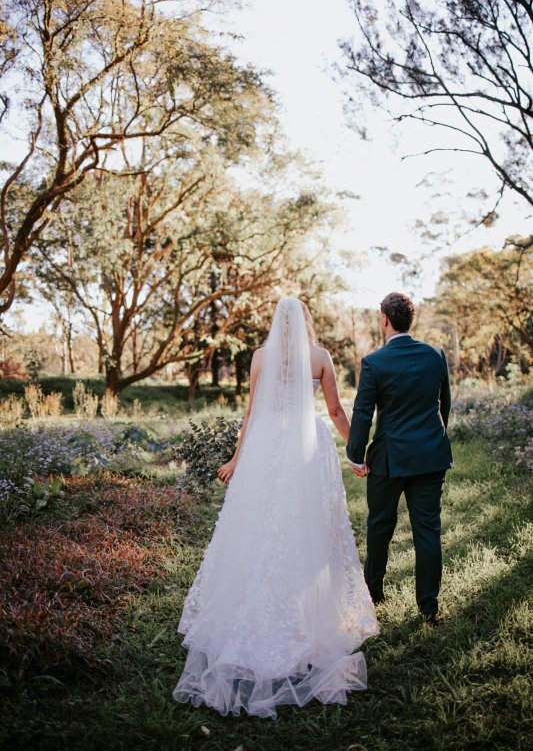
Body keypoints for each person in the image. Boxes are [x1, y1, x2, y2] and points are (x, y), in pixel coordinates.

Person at [173, 297, 379, 719]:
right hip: (306, 445)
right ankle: (305, 614)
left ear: (276, 323)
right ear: (305, 320)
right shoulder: (320, 356)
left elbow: (251, 411)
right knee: (307, 528)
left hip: (267, 445)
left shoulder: (261, 357)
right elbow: (337, 410)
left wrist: (236, 457)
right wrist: (356, 454)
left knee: (262, 526)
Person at [346, 292, 453, 625]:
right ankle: (429, 606)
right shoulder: (435, 356)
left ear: (385, 320)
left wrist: (356, 455)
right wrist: (431, 440)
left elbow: (363, 413)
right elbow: (444, 405)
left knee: (380, 525)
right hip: (430, 456)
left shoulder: (375, 362)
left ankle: (374, 594)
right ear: (411, 320)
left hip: (389, 460)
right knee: (428, 529)